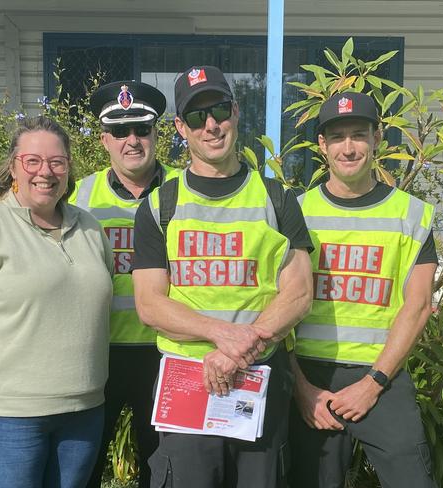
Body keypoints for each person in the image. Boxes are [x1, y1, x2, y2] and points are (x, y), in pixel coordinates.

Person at [132, 65, 314, 488]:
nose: (211, 125)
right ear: (180, 127)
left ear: (235, 111)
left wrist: (236, 350)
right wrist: (223, 335)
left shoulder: (275, 198)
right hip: (187, 382)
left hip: (259, 377)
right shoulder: (161, 204)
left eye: (218, 110)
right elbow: (150, 304)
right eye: (196, 117)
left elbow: (299, 292)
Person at [0, 115, 114, 488]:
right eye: (32, 161)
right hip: (10, 420)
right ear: (13, 167)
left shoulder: (90, 229)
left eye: (56, 162)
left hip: (83, 415)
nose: (44, 172)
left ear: (68, 169)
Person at [288, 92, 438, 488]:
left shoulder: (411, 215)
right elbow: (273, 305)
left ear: (377, 139)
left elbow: (419, 306)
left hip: (382, 376)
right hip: (310, 378)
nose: (349, 147)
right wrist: (301, 388)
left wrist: (373, 384)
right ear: (323, 145)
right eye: (337, 137)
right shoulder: (295, 212)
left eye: (359, 134)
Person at [70, 80, 177, 488]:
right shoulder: (80, 197)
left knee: (164, 467)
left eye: (142, 129)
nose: (131, 140)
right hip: (100, 353)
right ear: (104, 140)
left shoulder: (186, 191)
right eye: (120, 131)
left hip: (167, 352)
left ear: (156, 134)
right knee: (83, 463)